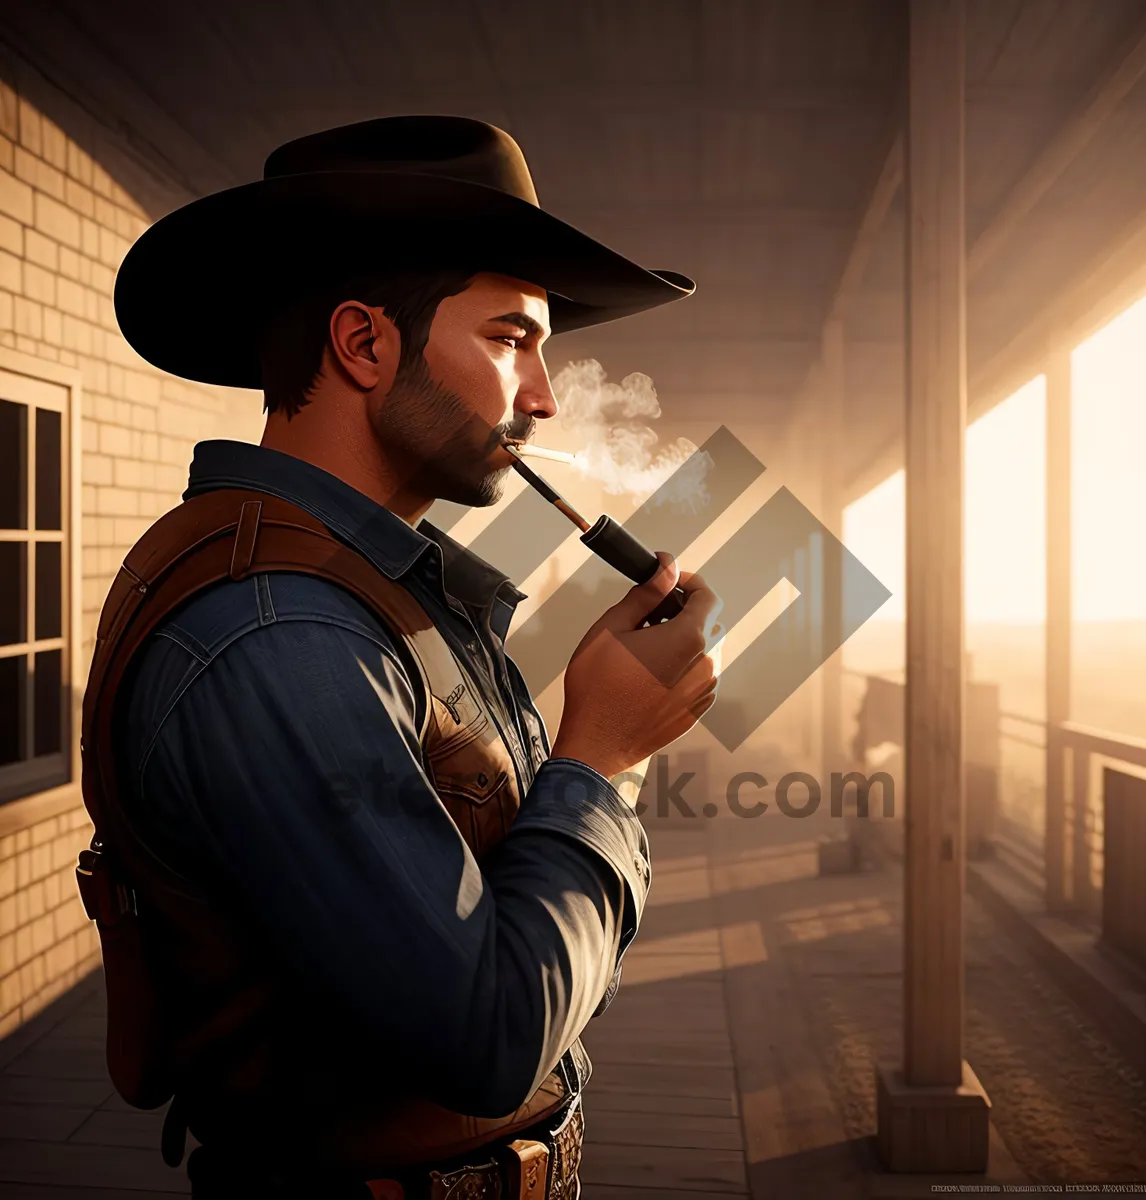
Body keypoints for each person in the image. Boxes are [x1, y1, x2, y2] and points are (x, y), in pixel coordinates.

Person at [88, 115, 721, 1199]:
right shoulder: (281, 632)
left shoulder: (368, 594)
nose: (545, 397)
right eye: (512, 339)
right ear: (365, 344)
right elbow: (487, 1036)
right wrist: (600, 758)